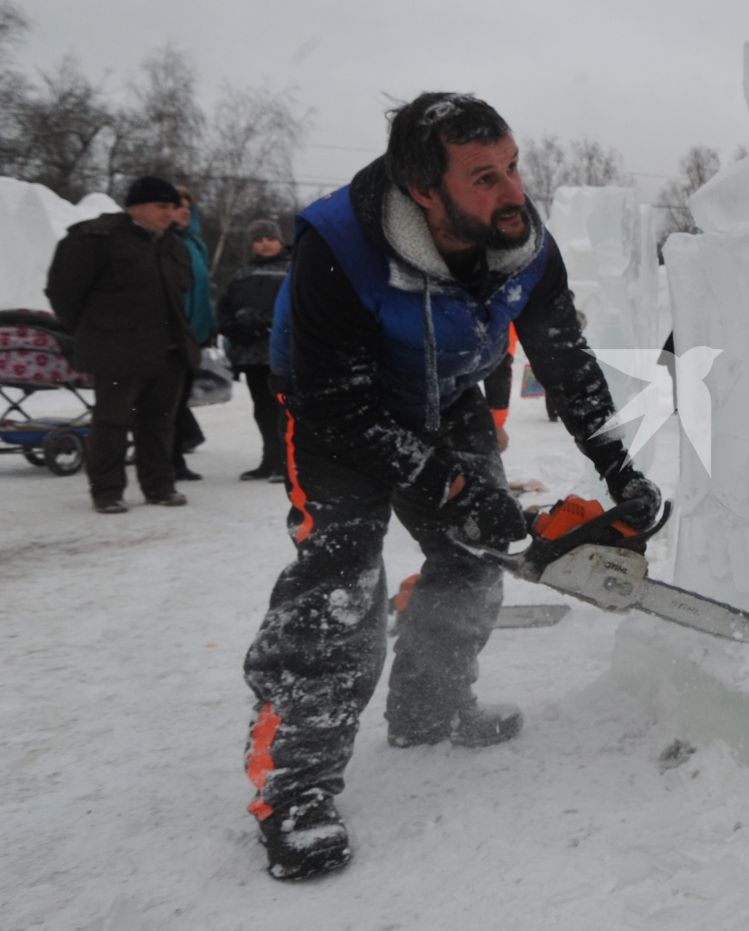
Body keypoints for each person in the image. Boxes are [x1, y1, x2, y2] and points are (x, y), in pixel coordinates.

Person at [242, 92, 660, 882]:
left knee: (473, 555)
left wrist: (620, 466)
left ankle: (428, 709)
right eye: (483, 177)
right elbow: (337, 407)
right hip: (335, 412)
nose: (511, 193)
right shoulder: (339, 246)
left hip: (447, 396)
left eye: (512, 167)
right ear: (422, 189)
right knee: (341, 579)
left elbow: (566, 362)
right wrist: (448, 483)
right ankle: (294, 785)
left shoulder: (524, 242)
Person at [42, 176, 200, 512]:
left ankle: (159, 487)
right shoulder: (96, 238)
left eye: (173, 207)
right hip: (116, 349)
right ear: (136, 206)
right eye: (161, 206)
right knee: (112, 421)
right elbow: (64, 293)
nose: (169, 213)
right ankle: (107, 492)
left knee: (159, 423)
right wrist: (93, 332)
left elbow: (181, 297)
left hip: (167, 350)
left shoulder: (175, 246)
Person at [217, 217, 293, 481]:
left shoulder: (293, 269)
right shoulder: (242, 274)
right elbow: (225, 307)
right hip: (250, 354)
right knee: (262, 408)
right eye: (259, 240)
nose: (265, 244)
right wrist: (232, 328)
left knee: (285, 408)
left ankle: (287, 462)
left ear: (280, 241)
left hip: (282, 352)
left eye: (270, 239)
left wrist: (265, 324)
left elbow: (297, 308)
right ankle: (269, 460)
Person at [169, 185, 218, 482]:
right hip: (172, 334)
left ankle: (175, 457)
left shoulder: (195, 244)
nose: (185, 210)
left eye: (189, 206)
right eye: (178, 205)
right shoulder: (165, 242)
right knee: (169, 403)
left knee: (179, 399)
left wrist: (209, 325)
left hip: (194, 335)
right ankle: (170, 460)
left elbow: (202, 291)